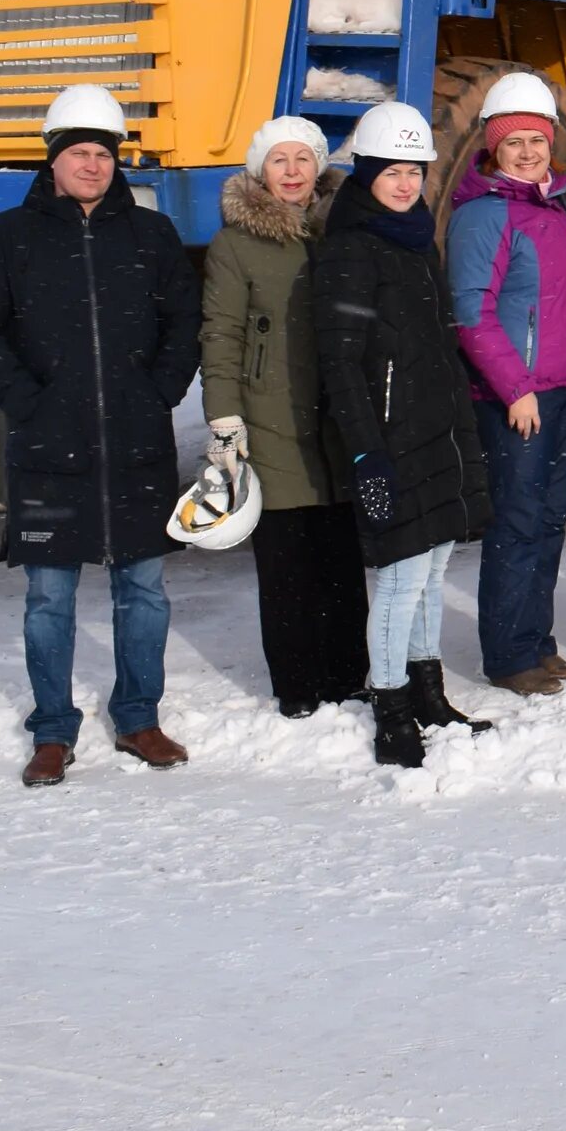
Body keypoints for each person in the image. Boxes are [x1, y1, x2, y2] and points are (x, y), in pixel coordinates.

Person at [0, 83, 204, 787]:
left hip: (135, 445)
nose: (92, 166)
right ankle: (53, 729)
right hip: (47, 448)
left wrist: (159, 393)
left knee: (143, 591)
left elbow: (187, 322)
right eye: (79, 153)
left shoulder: (149, 235)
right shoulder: (10, 236)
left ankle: (139, 718)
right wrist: (25, 401)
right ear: (53, 159)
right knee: (49, 598)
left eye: (102, 154)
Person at [313, 101, 494, 767]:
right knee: (400, 579)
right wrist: (367, 452)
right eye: (390, 171)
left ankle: (428, 694)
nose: (404, 183)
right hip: (391, 442)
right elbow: (340, 360)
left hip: (435, 432)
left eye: (413, 172)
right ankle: (391, 707)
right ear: (365, 174)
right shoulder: (352, 249)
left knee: (432, 570)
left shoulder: (417, 240)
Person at [199, 113, 367, 719]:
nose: (292, 172)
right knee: (287, 564)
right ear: (259, 171)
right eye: (279, 160)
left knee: (342, 561)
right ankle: (297, 686)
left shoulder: (344, 229)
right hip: (271, 418)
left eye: (303, 159)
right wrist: (224, 418)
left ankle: (349, 677)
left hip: (340, 418)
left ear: (319, 167)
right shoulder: (235, 244)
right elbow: (221, 334)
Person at [445, 71, 566, 698]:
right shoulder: (484, 215)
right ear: (493, 149)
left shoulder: (554, 206)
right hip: (520, 397)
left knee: (551, 519)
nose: (528, 152)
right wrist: (514, 387)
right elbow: (471, 312)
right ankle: (508, 655)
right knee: (517, 521)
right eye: (514, 144)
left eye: (536, 140)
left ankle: (538, 642)